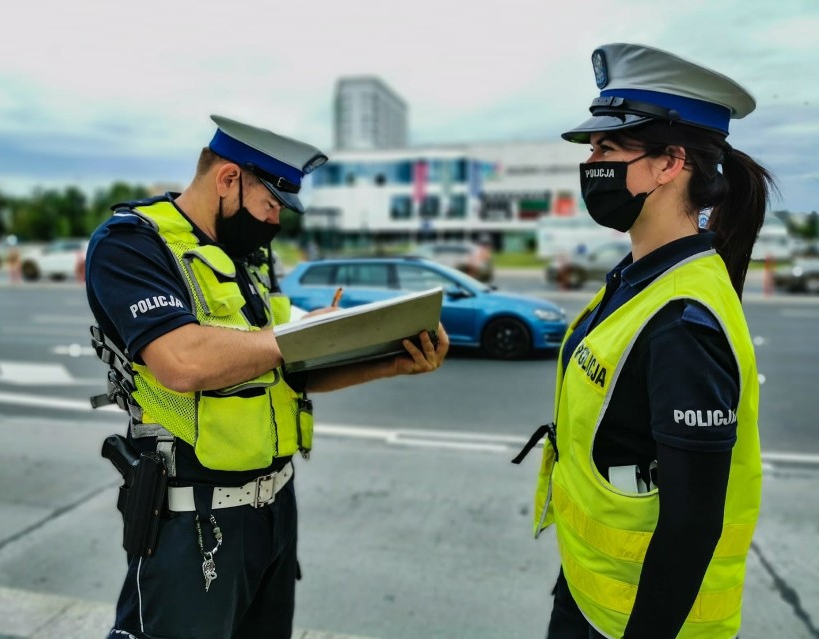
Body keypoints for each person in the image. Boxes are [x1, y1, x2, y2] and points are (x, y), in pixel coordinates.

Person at [85, 114, 449, 639]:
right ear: (229, 179)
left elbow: (285, 374)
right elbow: (182, 361)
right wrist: (301, 333)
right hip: (193, 522)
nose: (275, 221)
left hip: (275, 511)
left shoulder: (249, 257)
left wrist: (389, 360)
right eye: (271, 203)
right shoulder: (133, 244)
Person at [513, 43, 774, 638]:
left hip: (635, 623)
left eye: (608, 147)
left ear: (668, 164)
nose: (591, 162)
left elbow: (692, 524)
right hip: (590, 594)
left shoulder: (683, 318)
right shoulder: (639, 277)